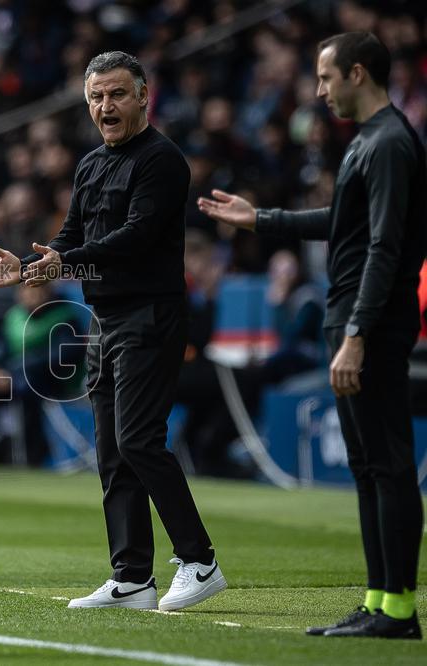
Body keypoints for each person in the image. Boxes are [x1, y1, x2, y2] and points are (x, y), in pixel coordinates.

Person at [0, 51, 225, 612]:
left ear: (142, 97)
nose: (106, 106)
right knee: (111, 451)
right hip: (105, 320)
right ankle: (132, 576)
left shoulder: (162, 160)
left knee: (137, 440)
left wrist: (64, 263)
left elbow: (134, 239)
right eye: (96, 97)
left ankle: (200, 560)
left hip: (150, 317)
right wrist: (34, 267)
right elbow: (70, 233)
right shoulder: (89, 166)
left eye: (116, 94)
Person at [199, 32, 425, 640]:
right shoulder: (368, 144)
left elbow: (385, 247)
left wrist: (357, 332)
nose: (319, 90)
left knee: (388, 464)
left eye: (326, 78)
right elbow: (343, 223)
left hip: (368, 322)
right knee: (367, 465)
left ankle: (399, 610)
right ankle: (380, 602)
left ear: (356, 72)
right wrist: (261, 218)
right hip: (350, 317)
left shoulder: (390, 144)